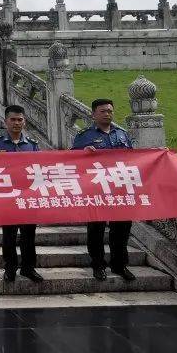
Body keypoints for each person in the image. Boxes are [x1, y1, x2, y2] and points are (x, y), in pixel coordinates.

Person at [72, 98, 136, 282]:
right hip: (96, 189)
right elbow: (72, 161)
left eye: (109, 110)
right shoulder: (84, 136)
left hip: (119, 189)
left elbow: (133, 159)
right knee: (96, 229)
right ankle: (98, 264)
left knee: (121, 229)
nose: (107, 114)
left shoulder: (122, 135)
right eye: (102, 111)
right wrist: (84, 153)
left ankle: (120, 264)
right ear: (93, 114)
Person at [0, 105, 44, 284]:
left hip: (28, 197)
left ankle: (28, 268)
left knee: (29, 235)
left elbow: (39, 170)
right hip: (7, 198)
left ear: (24, 121)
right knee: (9, 236)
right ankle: (10, 268)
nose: (16, 123)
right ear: (6, 121)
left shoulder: (32, 145)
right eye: (13, 119)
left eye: (20, 120)